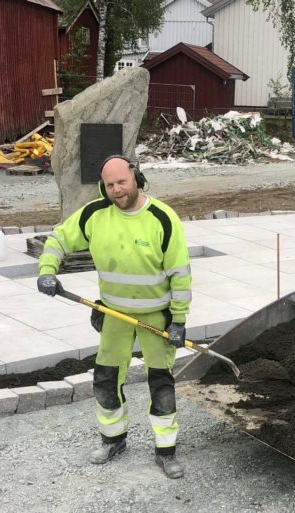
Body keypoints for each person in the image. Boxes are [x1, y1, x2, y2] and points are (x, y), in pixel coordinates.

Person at [36, 155, 191, 479]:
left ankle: (166, 450)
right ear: (102, 187)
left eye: (122, 182)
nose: (117, 190)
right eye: (109, 185)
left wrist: (178, 320)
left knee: (161, 383)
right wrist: (47, 270)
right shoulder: (94, 215)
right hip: (114, 314)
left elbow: (180, 274)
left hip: (155, 316)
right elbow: (58, 238)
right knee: (106, 379)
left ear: (136, 178)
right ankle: (113, 439)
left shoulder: (163, 218)